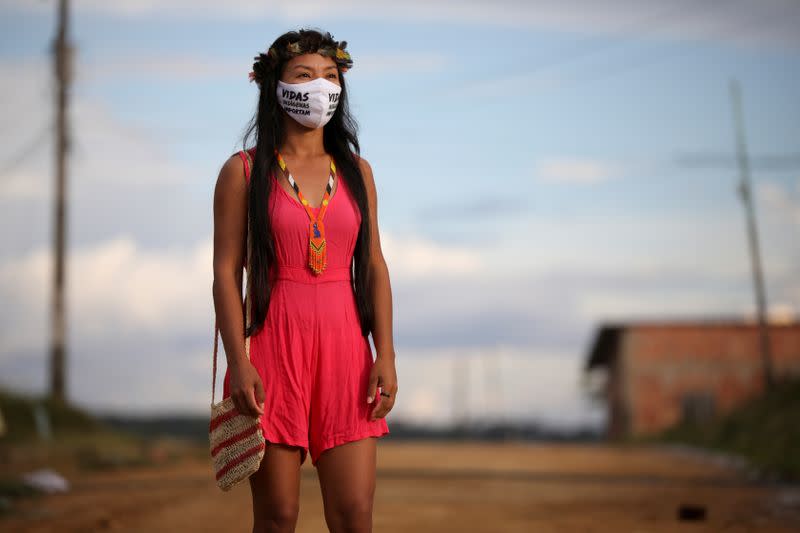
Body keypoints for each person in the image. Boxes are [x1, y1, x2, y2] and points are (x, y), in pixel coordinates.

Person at [212, 28, 397, 532]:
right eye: (304, 75)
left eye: (330, 76)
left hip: (346, 353)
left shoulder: (357, 171)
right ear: (274, 84)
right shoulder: (243, 171)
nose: (320, 87)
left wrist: (386, 354)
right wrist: (238, 360)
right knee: (278, 517)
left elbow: (375, 265)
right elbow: (226, 274)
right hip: (273, 348)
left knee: (355, 514)